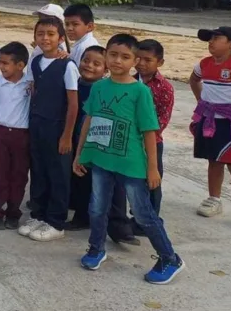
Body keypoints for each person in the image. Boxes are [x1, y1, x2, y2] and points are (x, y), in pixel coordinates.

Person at [74, 34, 186, 284]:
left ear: (134, 61)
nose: (117, 60)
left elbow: (149, 132)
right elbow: (88, 121)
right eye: (112, 54)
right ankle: (96, 248)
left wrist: (153, 169)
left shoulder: (140, 92)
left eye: (125, 57)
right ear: (105, 56)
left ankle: (169, 258)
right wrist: (81, 153)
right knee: (97, 208)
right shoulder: (99, 87)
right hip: (102, 160)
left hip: (132, 163)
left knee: (144, 214)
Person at [190, 27, 231, 235]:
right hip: (211, 121)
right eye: (209, 39)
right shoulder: (204, 64)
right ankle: (214, 199)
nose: (211, 42)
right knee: (214, 160)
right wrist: (203, 102)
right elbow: (194, 80)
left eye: (217, 38)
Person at [19, 16, 79, 242]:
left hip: (58, 128)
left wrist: (67, 136)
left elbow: (73, 104)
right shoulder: (35, 62)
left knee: (58, 174)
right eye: (40, 34)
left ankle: (56, 221)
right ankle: (39, 214)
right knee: (39, 170)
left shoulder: (67, 65)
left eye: (51, 34)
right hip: (38, 125)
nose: (45, 38)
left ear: (61, 39)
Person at [0, 42, 31, 230]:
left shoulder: (29, 83)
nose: (1, 67)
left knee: (19, 175)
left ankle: (13, 212)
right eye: (0, 62)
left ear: (20, 65)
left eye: (5, 63)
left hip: (22, 135)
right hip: (1, 134)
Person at [67, 46, 106, 230]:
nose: (89, 66)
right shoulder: (73, 84)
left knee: (86, 179)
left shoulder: (103, 90)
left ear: (105, 69)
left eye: (97, 64)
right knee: (73, 175)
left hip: (92, 143)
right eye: (86, 60)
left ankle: (83, 217)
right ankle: (72, 204)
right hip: (71, 138)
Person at [135, 39, 174, 221]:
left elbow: (161, 120)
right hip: (128, 141)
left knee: (151, 181)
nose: (141, 63)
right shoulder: (129, 80)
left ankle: (150, 219)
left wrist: (144, 136)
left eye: (148, 60)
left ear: (160, 63)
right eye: (138, 58)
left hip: (151, 143)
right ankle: (135, 216)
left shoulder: (164, 88)